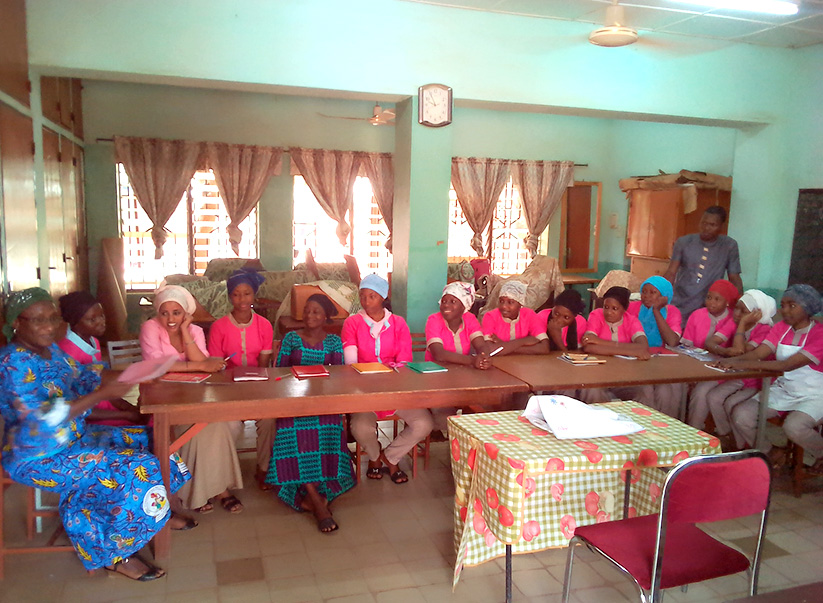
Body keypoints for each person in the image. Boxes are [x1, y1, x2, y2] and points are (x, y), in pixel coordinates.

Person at [0, 288, 191, 581]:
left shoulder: (52, 352)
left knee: (155, 438)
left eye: (53, 318)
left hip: (75, 438)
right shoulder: (11, 364)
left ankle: (144, 512)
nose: (49, 327)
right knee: (139, 467)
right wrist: (103, 394)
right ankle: (113, 553)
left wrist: (140, 372)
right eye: (38, 320)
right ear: (16, 322)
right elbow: (43, 419)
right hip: (40, 456)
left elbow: (88, 375)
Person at [140, 284, 245, 514]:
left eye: (176, 313)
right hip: (163, 399)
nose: (170, 318)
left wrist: (186, 331)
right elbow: (158, 367)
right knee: (207, 428)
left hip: (195, 394)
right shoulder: (150, 328)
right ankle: (219, 491)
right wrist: (196, 366)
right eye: (164, 312)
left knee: (226, 424)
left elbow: (204, 364)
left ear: (186, 313)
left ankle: (205, 487)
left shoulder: (195, 330)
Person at [267, 294, 355, 532]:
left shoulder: (334, 342)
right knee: (290, 429)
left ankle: (314, 494)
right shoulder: (291, 338)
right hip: (294, 402)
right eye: (306, 311)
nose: (309, 316)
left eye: (315, 311)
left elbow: (339, 375)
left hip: (324, 402)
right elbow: (280, 372)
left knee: (329, 425)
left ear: (325, 315)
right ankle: (316, 499)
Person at [723, 284, 823, 473]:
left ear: (808, 307)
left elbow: (786, 365)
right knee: (741, 415)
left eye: (792, 305)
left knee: (794, 426)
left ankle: (821, 453)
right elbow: (760, 353)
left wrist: (741, 365)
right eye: (783, 305)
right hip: (785, 388)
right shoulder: (781, 327)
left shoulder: (820, 334)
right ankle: (772, 451)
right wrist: (732, 361)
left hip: (815, 394)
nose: (784, 310)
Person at [343, 274, 427, 484]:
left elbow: (404, 362)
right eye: (362, 296)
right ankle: (373, 456)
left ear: (383, 297)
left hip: (394, 390)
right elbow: (351, 362)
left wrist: (389, 376)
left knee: (424, 423)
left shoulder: (398, 323)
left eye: (372, 296)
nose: (366, 301)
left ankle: (390, 456)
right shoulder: (352, 323)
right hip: (363, 391)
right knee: (360, 428)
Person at [206, 269, 275, 490]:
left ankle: (263, 468)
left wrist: (254, 386)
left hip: (258, 388)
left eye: (246, 293)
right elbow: (217, 366)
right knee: (229, 426)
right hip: (228, 389)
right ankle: (225, 475)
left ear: (253, 295)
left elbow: (264, 364)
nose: (242, 299)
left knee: (269, 420)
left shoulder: (264, 325)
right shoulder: (218, 327)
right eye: (236, 294)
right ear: (229, 297)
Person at [690, 290, 777, 442]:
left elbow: (739, 352)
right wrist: (723, 351)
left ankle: (737, 442)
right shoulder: (733, 322)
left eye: (743, 311)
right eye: (736, 308)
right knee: (710, 395)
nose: (736, 313)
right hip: (735, 373)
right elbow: (710, 342)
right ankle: (726, 435)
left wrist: (742, 325)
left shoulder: (764, 330)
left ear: (757, 314)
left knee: (726, 402)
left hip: (756, 379)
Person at [57, 291, 143, 426]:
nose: (101, 322)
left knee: (148, 417)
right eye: (92, 320)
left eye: (101, 316)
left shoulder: (93, 342)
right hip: (90, 416)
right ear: (75, 323)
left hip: (104, 405)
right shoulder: (67, 352)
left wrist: (128, 407)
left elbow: (101, 384)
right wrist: (127, 414)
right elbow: (77, 407)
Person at [663, 205, 743, 326]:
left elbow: (734, 278)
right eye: (704, 223)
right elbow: (671, 272)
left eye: (712, 225)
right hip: (681, 300)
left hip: (709, 305)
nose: (706, 228)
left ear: (722, 226)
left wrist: (740, 303)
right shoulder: (684, 242)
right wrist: (661, 294)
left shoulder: (729, 246)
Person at [579, 286, 654, 406]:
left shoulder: (631, 321)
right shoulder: (596, 315)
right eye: (606, 307)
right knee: (592, 391)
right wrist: (631, 350)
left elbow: (643, 347)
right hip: (597, 375)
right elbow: (588, 346)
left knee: (645, 391)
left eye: (615, 308)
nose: (608, 312)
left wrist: (599, 341)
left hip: (625, 376)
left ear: (624, 309)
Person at [626, 276, 683, 417]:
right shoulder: (632, 308)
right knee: (646, 390)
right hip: (635, 360)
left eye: (653, 292)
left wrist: (657, 311)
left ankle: (666, 426)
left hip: (662, 363)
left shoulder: (672, 311)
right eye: (644, 291)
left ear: (665, 296)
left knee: (666, 391)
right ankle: (646, 424)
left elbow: (672, 341)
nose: (647, 296)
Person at [481, 280, 548, 356]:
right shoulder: (490, 316)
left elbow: (544, 347)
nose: (504, 306)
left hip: (525, 364)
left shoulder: (529, 315)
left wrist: (503, 345)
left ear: (520, 304)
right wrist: (523, 341)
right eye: (501, 301)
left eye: (510, 302)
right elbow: (490, 350)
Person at [681, 279, 739, 351]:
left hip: (722, 359)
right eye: (709, 298)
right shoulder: (696, 315)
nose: (711, 302)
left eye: (717, 299)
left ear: (727, 302)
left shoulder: (732, 318)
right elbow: (686, 346)